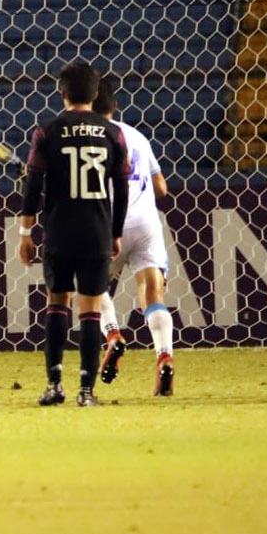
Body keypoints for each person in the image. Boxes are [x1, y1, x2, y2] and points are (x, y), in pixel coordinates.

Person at [18, 62, 130, 408]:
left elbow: (33, 183)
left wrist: (25, 231)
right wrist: (115, 232)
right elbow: (121, 187)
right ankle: (86, 391)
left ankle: (54, 385)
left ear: (61, 92)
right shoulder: (113, 134)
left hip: (59, 232)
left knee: (56, 303)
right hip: (96, 231)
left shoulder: (46, 132)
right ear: (96, 95)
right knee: (91, 311)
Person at [91, 78, 177, 396]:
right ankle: (164, 356)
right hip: (145, 224)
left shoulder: (89, 139)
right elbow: (161, 189)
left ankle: (113, 335)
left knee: (93, 284)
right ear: (116, 107)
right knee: (153, 294)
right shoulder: (137, 136)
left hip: (105, 223)